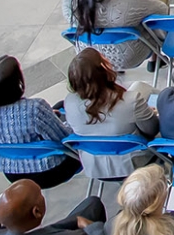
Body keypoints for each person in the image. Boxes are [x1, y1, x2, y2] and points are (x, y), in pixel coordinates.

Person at [0, 57, 78, 188]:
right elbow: (65, 140)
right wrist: (72, 122)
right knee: (72, 112)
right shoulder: (34, 109)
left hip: (12, 173)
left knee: (59, 106)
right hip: (50, 172)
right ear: (17, 83)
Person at [63, 47, 158, 185]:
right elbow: (152, 130)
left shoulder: (69, 102)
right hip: (134, 163)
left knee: (139, 87)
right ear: (103, 70)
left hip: (95, 167)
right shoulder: (131, 101)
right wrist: (150, 113)